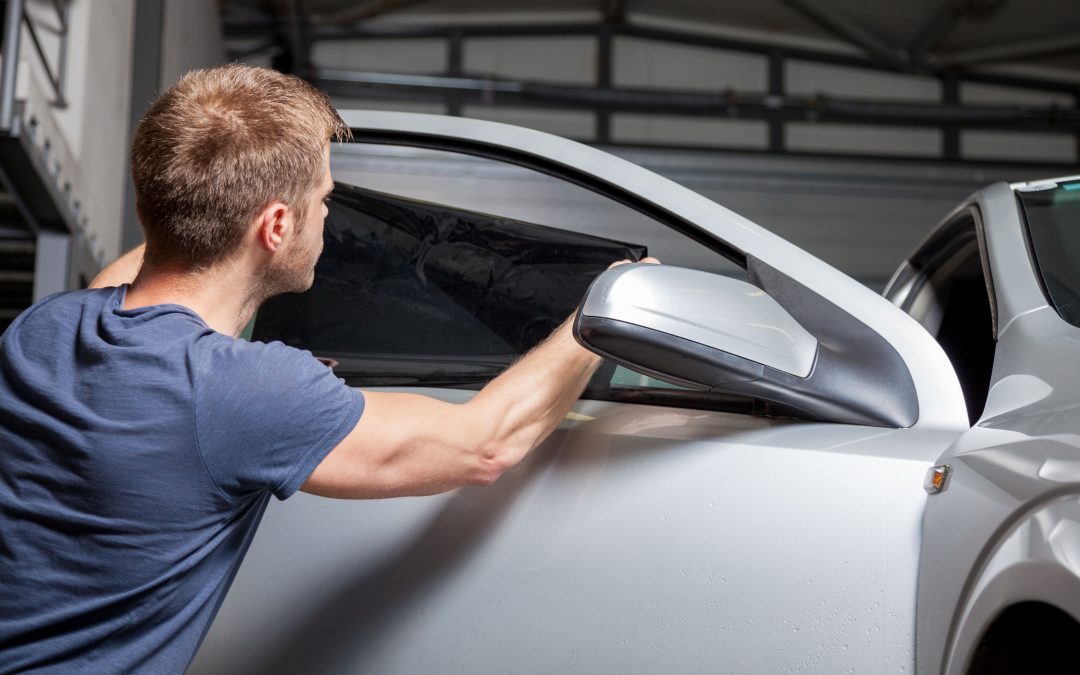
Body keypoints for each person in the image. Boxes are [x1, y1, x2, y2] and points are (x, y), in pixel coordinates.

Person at [0, 64, 654, 673]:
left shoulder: (43, 331)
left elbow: (150, 263)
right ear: (276, 225)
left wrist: (215, 186)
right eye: (324, 197)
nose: (329, 214)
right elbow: (484, 444)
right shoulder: (243, 389)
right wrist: (607, 307)